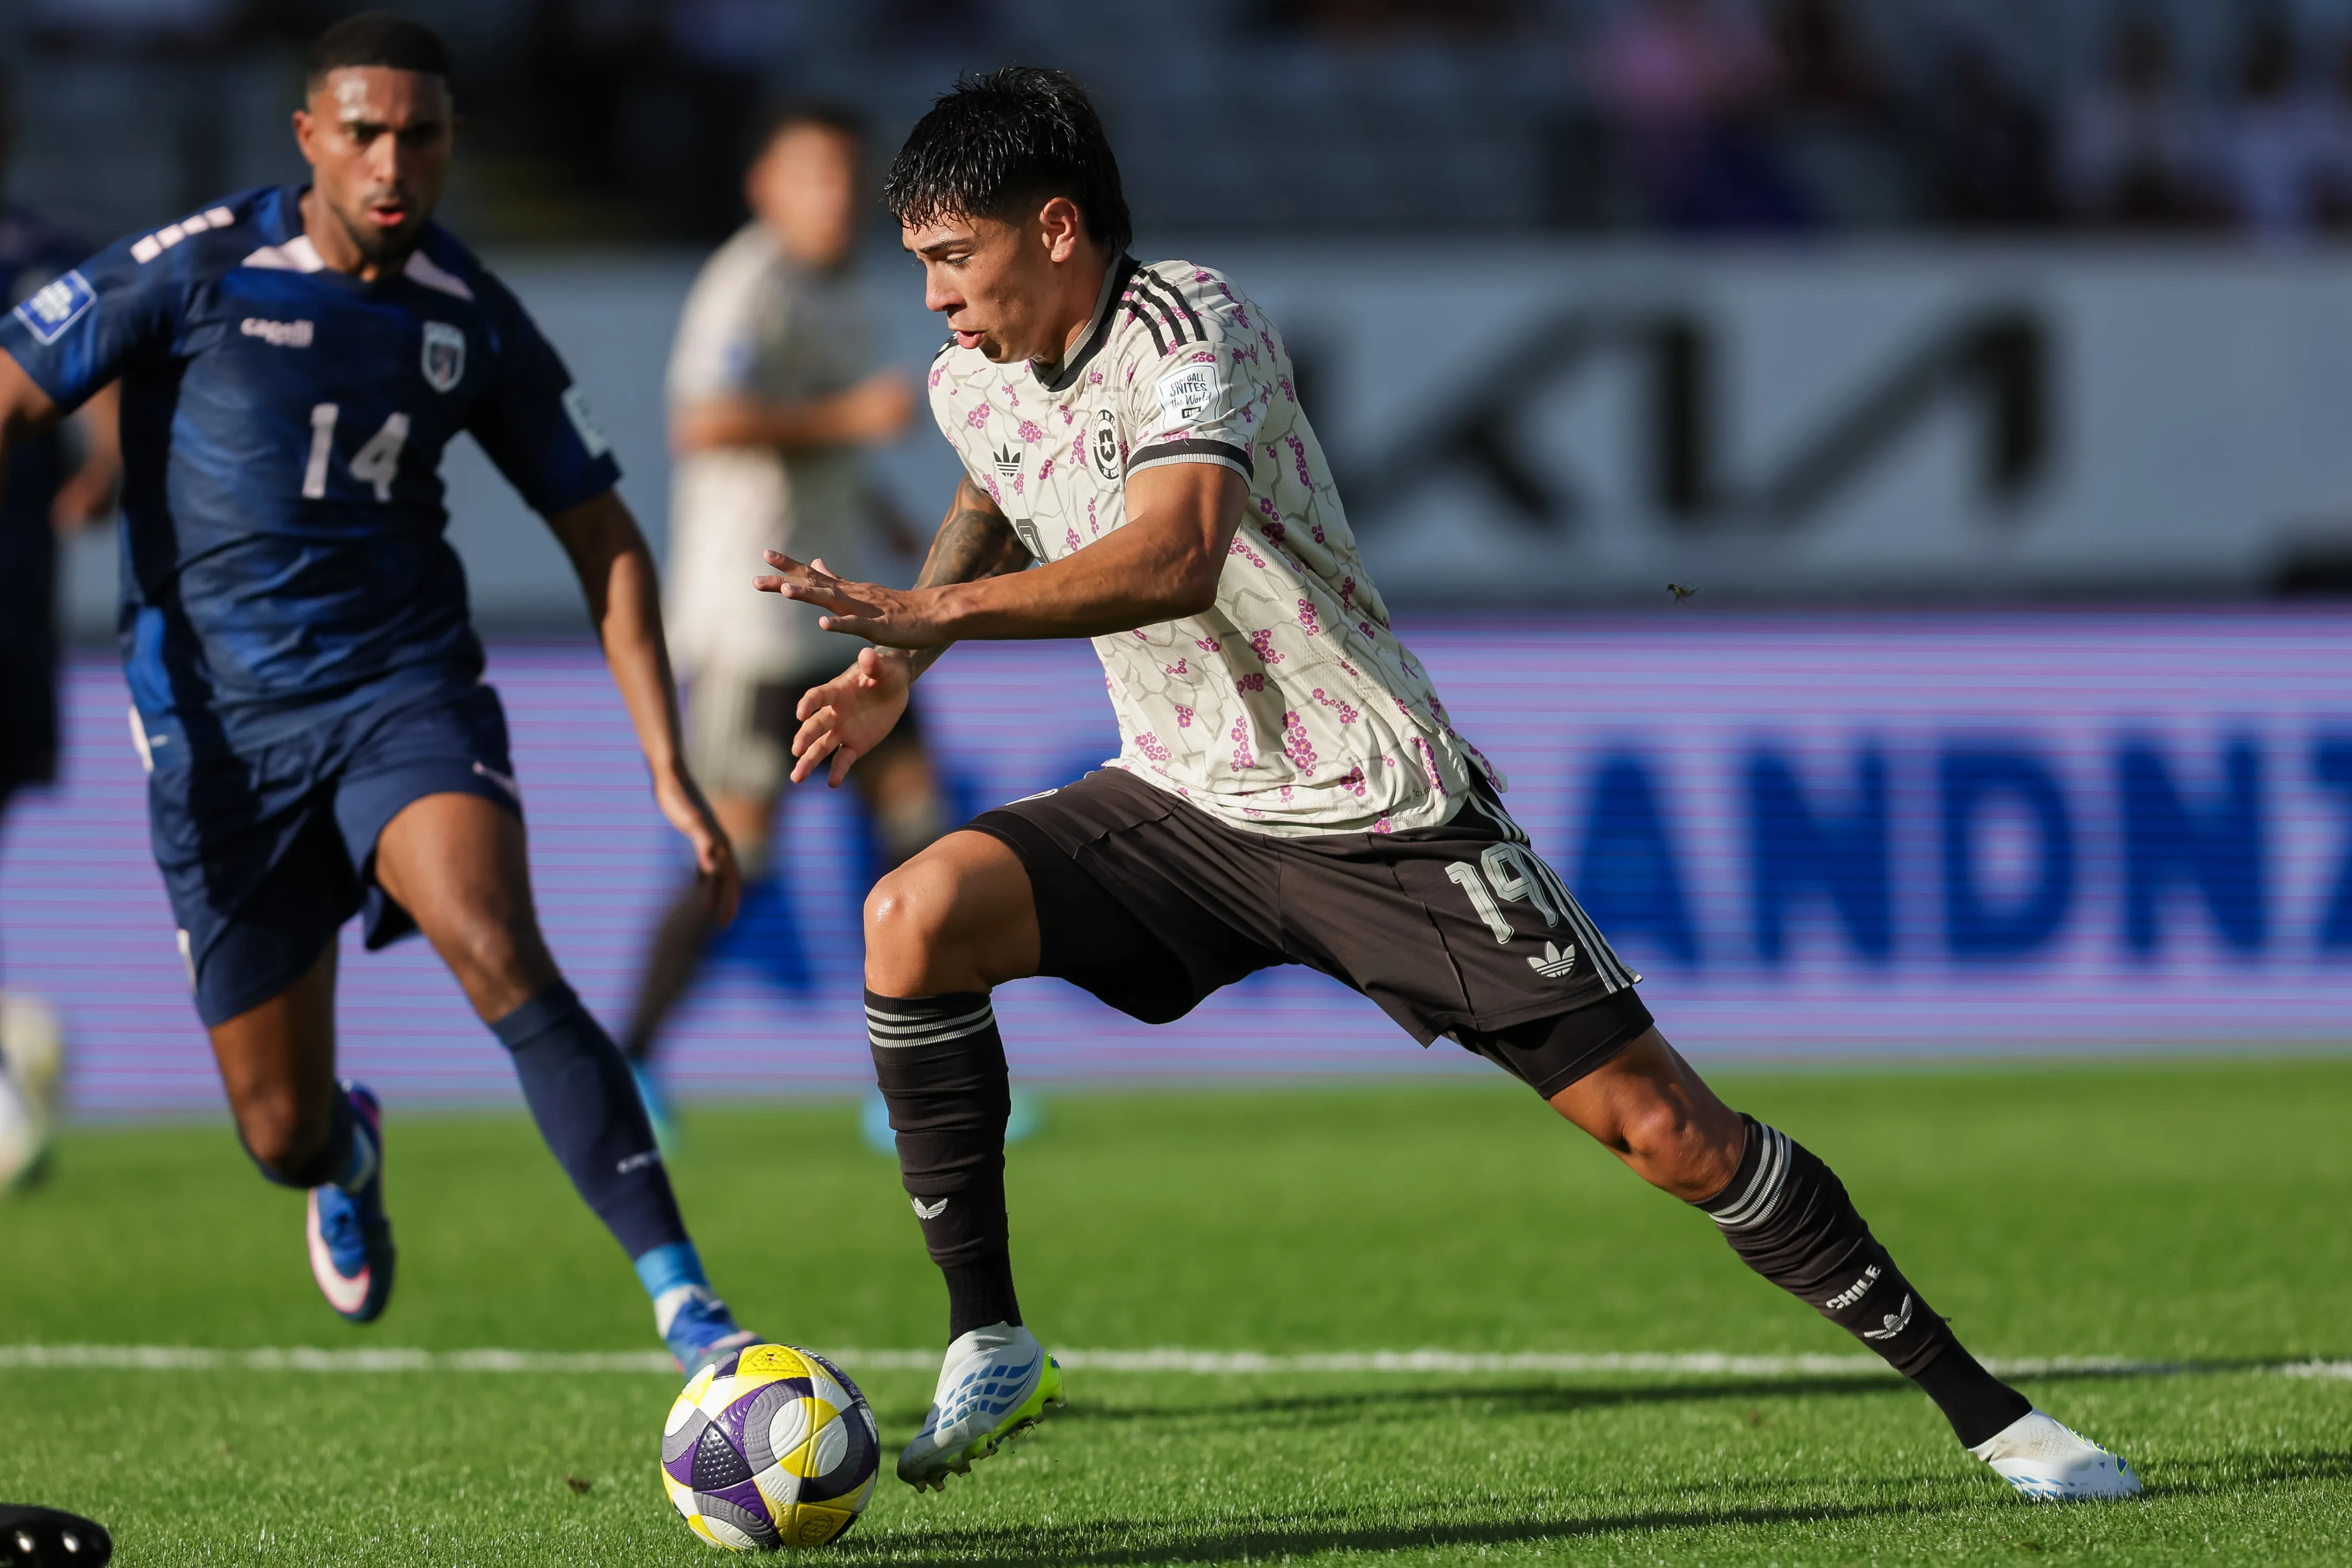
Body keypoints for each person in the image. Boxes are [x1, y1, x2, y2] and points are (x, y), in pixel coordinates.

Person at [762, 66, 2143, 1502]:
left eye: (952, 257)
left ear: (1054, 229)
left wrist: (932, 624)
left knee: (1669, 1133)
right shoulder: (966, 375)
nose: (932, 296)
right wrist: (894, 673)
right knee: (909, 919)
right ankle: (988, 1333)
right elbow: (994, 487)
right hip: (1180, 799)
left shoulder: (1193, 325)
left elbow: (1173, 554)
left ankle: (1993, 1417)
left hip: (1373, 808)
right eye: (921, 262)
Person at [0, 13, 759, 1374]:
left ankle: (689, 1306)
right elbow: (12, 387)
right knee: (277, 1131)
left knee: (493, 939)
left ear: (452, 142)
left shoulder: (468, 312)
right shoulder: (199, 266)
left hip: (403, 694)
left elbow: (603, 533)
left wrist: (662, 759)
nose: (391, 160)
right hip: (219, 735)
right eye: (363, 130)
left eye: (420, 133)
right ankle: (349, 1150)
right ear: (309, 138)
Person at [622, 102, 939, 1125]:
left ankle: (913, 1071)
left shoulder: (846, 294)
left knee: (919, 829)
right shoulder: (747, 284)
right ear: (767, 187)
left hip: (843, 617)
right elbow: (703, 420)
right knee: (740, 858)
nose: (835, 198)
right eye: (814, 178)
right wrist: (850, 417)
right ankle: (625, 1062)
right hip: (751, 623)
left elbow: (826, 451)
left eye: (848, 178)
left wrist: (884, 513)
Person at [0, 122, 122, 1184]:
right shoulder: (53, 254)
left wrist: (107, 465)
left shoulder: (42, 260)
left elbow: (114, 391)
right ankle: (13, 1044)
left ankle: (7, 1080)